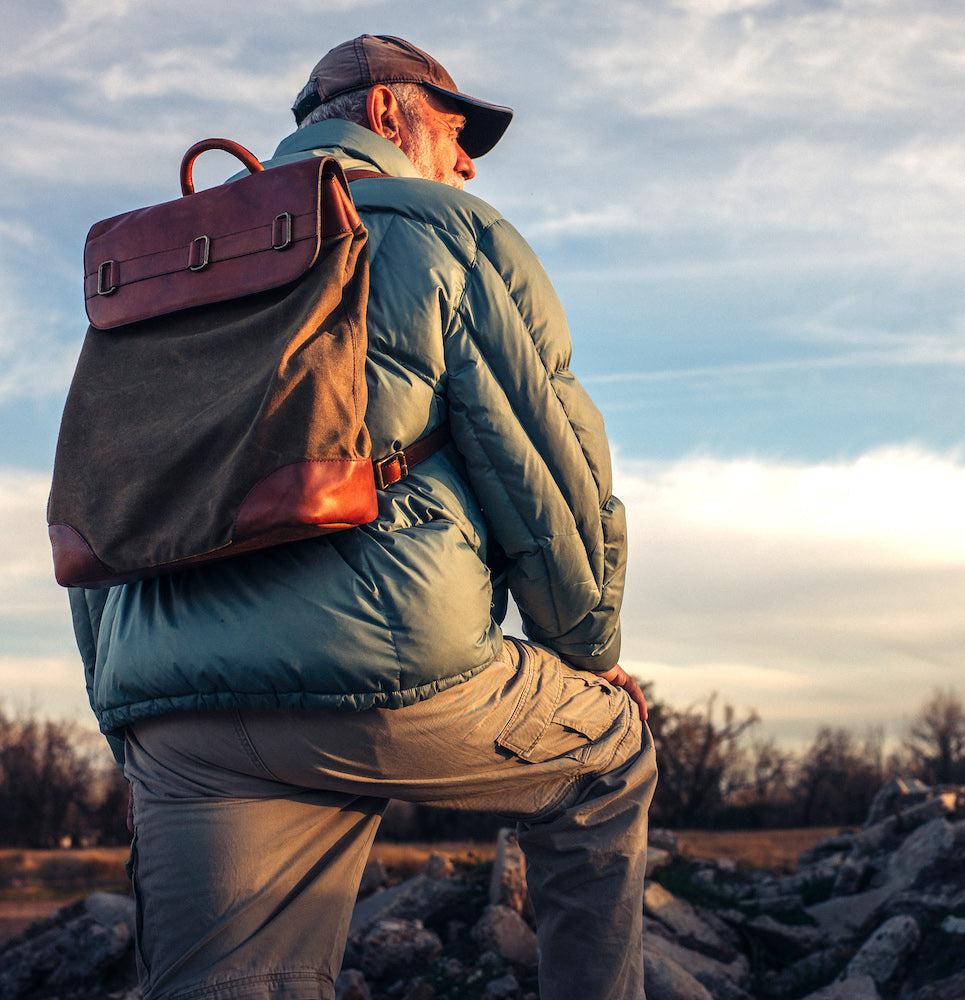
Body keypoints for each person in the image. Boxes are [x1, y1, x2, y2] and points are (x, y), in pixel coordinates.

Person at [68, 34, 657, 1000]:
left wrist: (126, 719)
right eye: (458, 133)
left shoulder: (167, 264)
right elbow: (550, 478)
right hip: (390, 681)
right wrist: (586, 651)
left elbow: (104, 511)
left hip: (174, 715)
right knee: (611, 756)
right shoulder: (444, 232)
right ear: (388, 114)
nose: (467, 163)